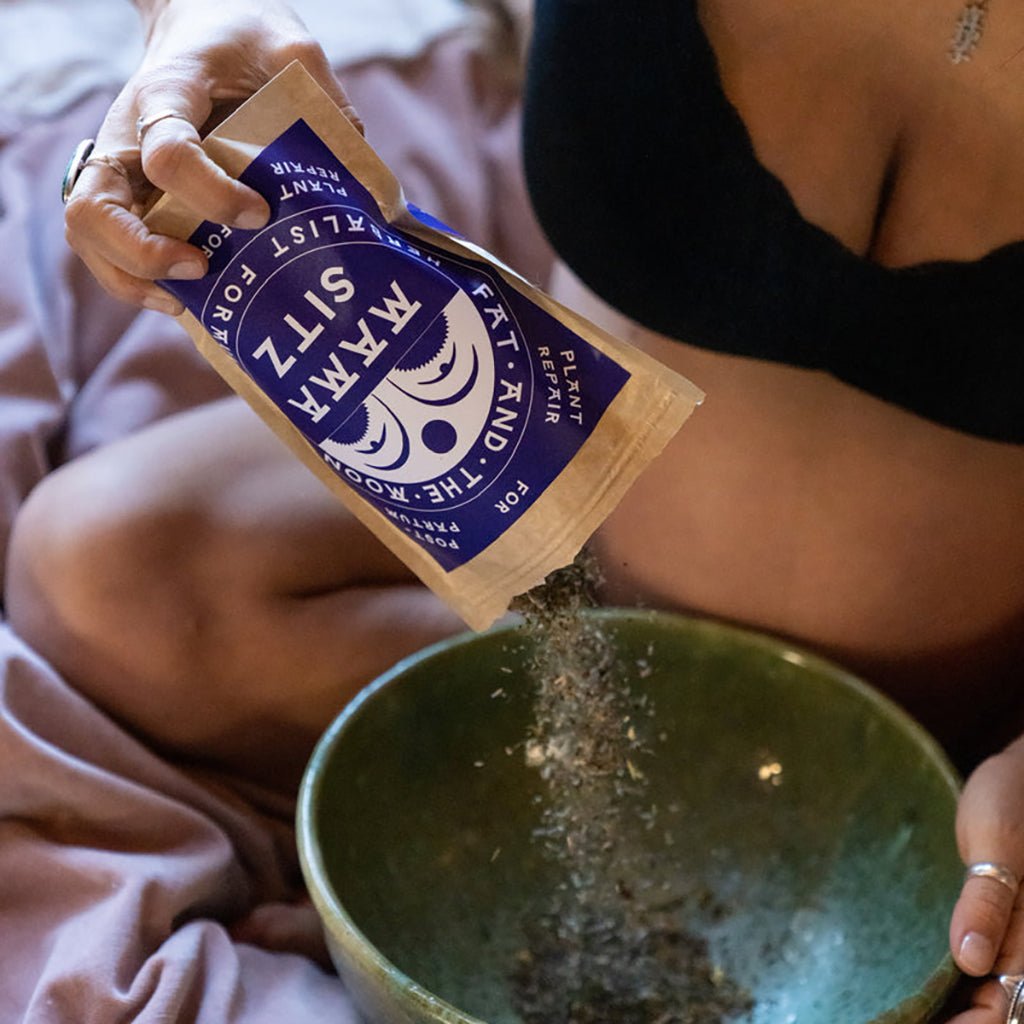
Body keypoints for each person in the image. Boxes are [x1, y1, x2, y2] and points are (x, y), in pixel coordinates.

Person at [5, 0, 1024, 1021]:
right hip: (551, 544)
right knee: (97, 573)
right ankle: (575, 759)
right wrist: (194, 22)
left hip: (930, 732)